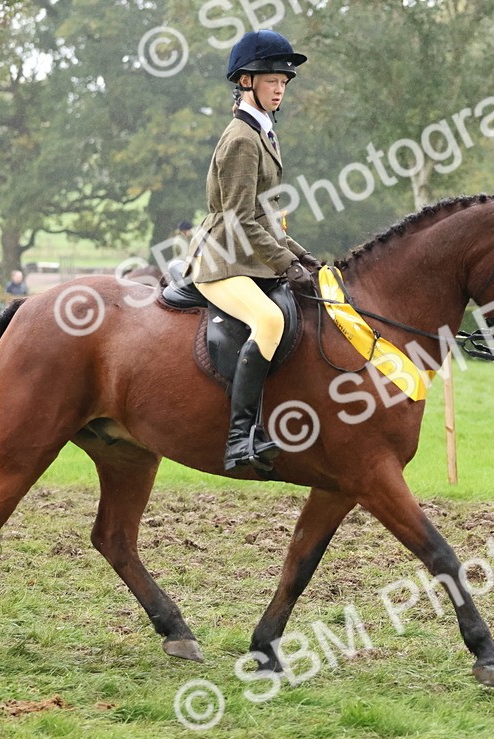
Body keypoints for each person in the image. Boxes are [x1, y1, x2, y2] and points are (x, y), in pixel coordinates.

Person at [188, 30, 320, 471]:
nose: (280, 87)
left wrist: (299, 254)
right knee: (269, 319)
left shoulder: (263, 132)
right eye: (271, 79)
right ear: (246, 81)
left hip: (246, 250)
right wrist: (284, 261)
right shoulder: (243, 139)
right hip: (223, 258)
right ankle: (238, 439)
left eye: (285, 79)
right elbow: (239, 219)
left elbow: (265, 214)